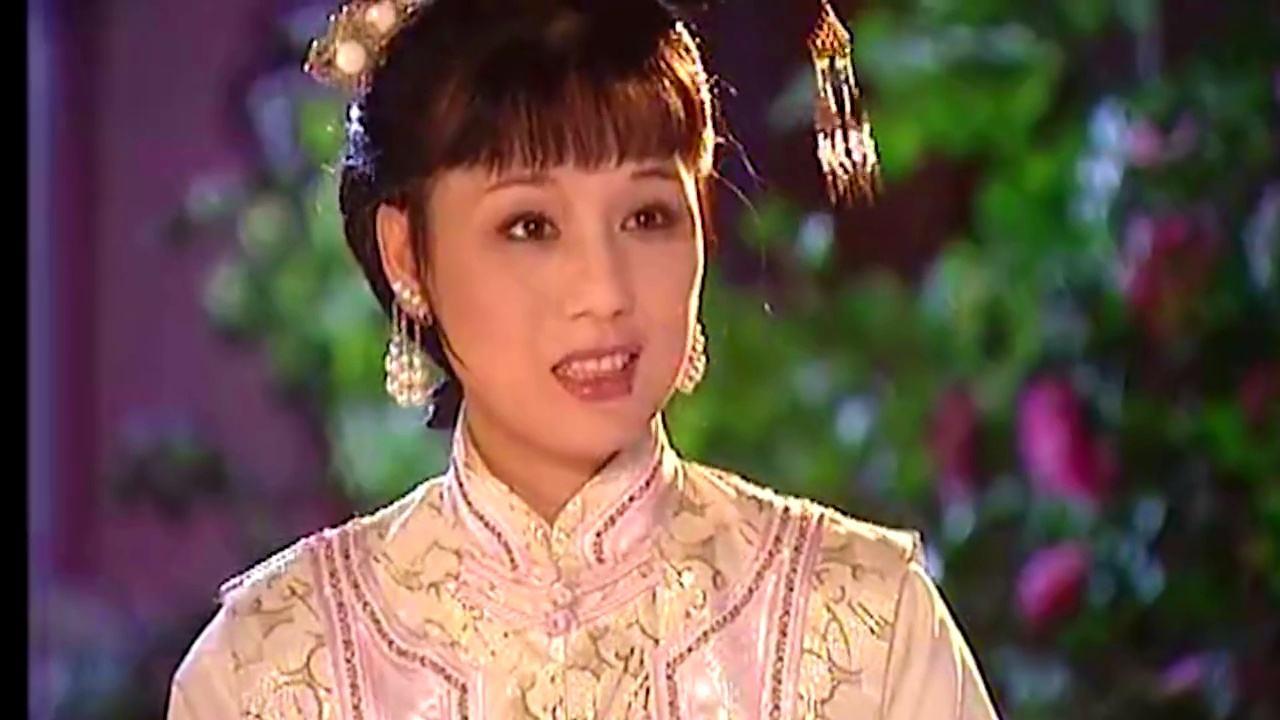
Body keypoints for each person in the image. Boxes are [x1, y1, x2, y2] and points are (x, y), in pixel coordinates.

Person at [166, 0, 1000, 717]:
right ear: (407, 254)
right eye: (530, 226)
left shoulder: (866, 627)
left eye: (647, 217)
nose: (604, 291)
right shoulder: (270, 668)